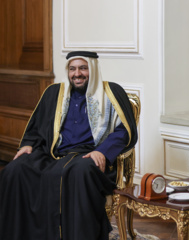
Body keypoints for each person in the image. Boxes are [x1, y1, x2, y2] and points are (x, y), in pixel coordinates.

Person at [0, 51, 138, 240]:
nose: (77, 74)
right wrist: (28, 144)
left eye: (83, 68)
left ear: (93, 69)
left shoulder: (111, 93)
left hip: (88, 154)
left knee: (80, 172)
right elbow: (38, 125)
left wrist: (102, 152)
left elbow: (124, 131)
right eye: (72, 69)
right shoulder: (54, 93)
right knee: (15, 170)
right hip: (53, 153)